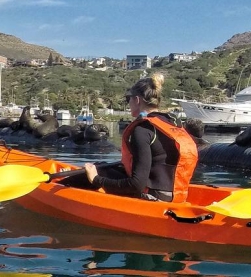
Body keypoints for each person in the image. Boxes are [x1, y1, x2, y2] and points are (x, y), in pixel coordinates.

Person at [65, 73, 198, 202]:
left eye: (128, 99)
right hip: (178, 195)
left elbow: (136, 185)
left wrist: (95, 179)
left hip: (155, 198)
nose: (128, 103)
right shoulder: (173, 123)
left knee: (95, 174)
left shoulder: (142, 130)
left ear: (137, 100)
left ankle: (58, 190)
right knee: (104, 168)